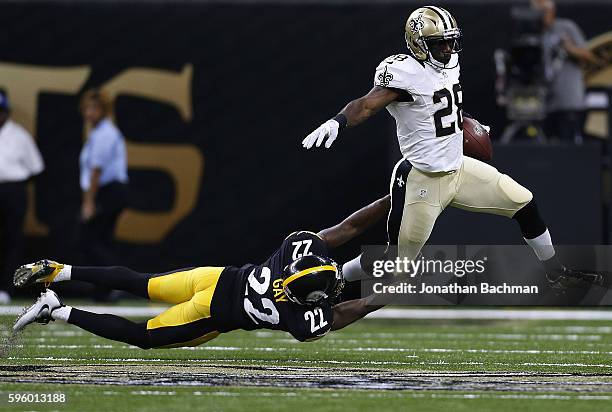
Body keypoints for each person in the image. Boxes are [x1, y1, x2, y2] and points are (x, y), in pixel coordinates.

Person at [301, 5, 601, 289]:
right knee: (395, 263)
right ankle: (338, 276)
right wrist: (338, 121)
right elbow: (366, 105)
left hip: (458, 169)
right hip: (423, 180)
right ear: (418, 44)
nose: (447, 49)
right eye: (439, 44)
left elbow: (441, 104)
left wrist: (467, 120)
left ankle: (554, 271)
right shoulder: (403, 73)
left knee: (524, 202)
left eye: (450, 42)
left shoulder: (449, 63)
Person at [12, 196, 391, 348]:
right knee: (142, 336)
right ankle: (57, 309)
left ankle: (61, 271)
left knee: (139, 282)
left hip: (215, 277)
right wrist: (387, 295)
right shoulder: (299, 317)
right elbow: (343, 312)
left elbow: (349, 228)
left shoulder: (295, 250)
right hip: (210, 314)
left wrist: (392, 197)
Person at [78, 89, 129, 300]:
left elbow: (96, 170)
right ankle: (104, 290)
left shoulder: (105, 134)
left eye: (95, 108)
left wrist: (89, 202)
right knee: (102, 241)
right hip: (106, 191)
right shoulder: (98, 133)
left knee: (92, 241)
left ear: (104, 110)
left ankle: (118, 282)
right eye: (87, 108)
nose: (90, 113)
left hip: (108, 192)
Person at [531, 0, 599, 144]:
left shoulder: (565, 27)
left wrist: (569, 47)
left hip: (569, 99)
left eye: (543, 11)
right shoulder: (538, 33)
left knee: (568, 143)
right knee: (548, 144)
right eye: (536, 12)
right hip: (548, 100)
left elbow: (588, 56)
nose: (541, 15)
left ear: (552, 11)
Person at [0, 91, 45, 303]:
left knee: (12, 238)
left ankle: (7, 288)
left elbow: (36, 168)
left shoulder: (19, 136)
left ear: (6, 113)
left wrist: (17, 188)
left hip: (13, 190)